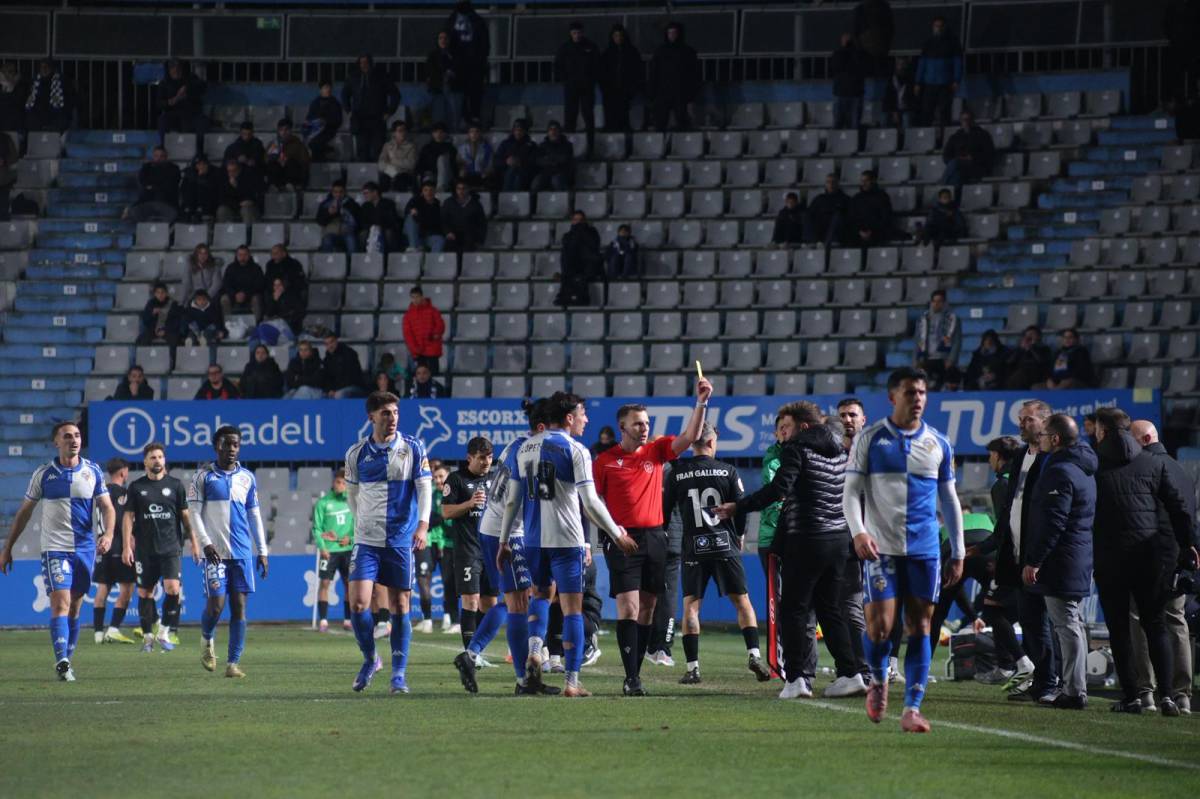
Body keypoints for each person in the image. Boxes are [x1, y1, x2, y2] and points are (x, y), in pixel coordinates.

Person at [843, 367, 965, 733]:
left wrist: (957, 551)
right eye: (911, 392)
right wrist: (858, 532)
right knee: (879, 628)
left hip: (925, 550)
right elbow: (850, 493)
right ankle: (878, 680)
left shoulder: (939, 443)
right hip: (881, 548)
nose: (918, 399)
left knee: (921, 626)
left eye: (923, 393)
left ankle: (912, 707)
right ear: (893, 397)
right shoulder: (870, 439)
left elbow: (950, 498)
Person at [498, 392, 637, 698]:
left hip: (533, 540)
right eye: (583, 414)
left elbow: (512, 500)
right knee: (573, 608)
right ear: (570, 418)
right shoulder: (576, 450)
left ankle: (535, 651)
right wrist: (617, 534)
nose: (587, 420)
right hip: (566, 539)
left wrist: (505, 539)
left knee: (540, 596)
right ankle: (572, 682)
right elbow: (590, 502)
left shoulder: (526, 448)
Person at [722, 403, 863, 699]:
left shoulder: (797, 449)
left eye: (787, 427)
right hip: (839, 539)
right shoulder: (839, 450)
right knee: (830, 609)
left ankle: (797, 678)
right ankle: (851, 674)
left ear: (804, 427)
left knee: (793, 609)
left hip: (807, 538)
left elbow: (778, 489)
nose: (782, 434)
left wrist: (739, 506)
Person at [593, 380, 713, 696]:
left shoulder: (657, 452)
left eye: (646, 423)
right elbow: (592, 503)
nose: (644, 428)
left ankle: (636, 671)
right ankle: (631, 677)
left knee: (648, 608)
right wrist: (613, 532)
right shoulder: (604, 461)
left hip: (655, 537)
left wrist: (701, 403)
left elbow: (689, 437)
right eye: (638, 424)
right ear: (623, 426)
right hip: (621, 539)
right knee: (629, 608)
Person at [1092, 407, 1194, 716]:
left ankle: (1134, 696)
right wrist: (1189, 546)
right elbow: (1179, 509)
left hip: (1110, 558)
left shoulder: (1094, 465)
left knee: (1121, 629)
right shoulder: (1153, 464)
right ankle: (1168, 697)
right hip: (1150, 558)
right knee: (1157, 625)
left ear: (1103, 432)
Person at [0, 421, 116, 682]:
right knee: (60, 603)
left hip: (85, 549)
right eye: (67, 436)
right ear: (56, 442)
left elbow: (108, 507)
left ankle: (67, 661)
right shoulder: (44, 474)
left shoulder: (93, 472)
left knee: (75, 608)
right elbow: (24, 513)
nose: (73, 440)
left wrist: (108, 534)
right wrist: (7, 548)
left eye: (77, 435)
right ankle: (62, 661)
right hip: (55, 549)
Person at [343, 391, 433, 694]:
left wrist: (422, 524)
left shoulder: (413, 448)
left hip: (399, 539)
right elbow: (352, 496)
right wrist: (362, 525)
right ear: (371, 417)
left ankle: (399, 675)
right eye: (385, 413)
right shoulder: (356, 453)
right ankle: (370, 659)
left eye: (395, 412)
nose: (392, 418)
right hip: (367, 541)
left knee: (400, 604)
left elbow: (425, 488)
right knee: (357, 603)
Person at [453, 402, 545, 693]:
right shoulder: (535, 452)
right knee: (521, 601)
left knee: (512, 602)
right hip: (505, 531)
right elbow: (519, 498)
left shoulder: (515, 445)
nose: (584, 419)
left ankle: (473, 656)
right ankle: (521, 679)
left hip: (496, 528)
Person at [673, 424, 771, 685]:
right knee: (742, 602)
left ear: (693, 442)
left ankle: (693, 669)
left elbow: (665, 510)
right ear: (712, 442)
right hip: (724, 544)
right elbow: (740, 507)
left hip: (693, 546)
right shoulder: (728, 471)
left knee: (691, 607)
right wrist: (738, 535)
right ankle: (753, 655)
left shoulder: (678, 472)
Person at [1022, 414, 1097, 710]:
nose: (1038, 441)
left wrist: (1035, 560)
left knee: (1066, 626)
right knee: (1072, 624)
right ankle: (1074, 687)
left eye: (1042, 436)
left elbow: (1053, 522)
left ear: (1055, 439)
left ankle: (1074, 690)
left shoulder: (1060, 471)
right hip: (1077, 557)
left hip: (1062, 560)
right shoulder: (1084, 469)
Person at [1129, 419, 1198, 714]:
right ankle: (1182, 693)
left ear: (1144, 439)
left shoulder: (1144, 468)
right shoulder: (1181, 470)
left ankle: (1147, 690)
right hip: (1177, 556)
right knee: (1175, 621)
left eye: (1131, 440)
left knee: (1140, 619)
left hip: (1148, 554)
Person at [189, 427, 268, 678]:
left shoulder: (247, 478)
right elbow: (193, 513)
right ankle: (206, 639)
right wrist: (205, 543)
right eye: (227, 444)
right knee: (216, 606)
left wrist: (262, 551)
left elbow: (254, 515)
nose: (232, 449)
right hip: (215, 553)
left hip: (242, 553)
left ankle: (233, 663)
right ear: (216, 447)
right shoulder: (203, 477)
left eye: (236, 445)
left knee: (239, 608)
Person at [992, 400, 1056, 702]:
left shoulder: (1053, 458)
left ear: (1045, 422)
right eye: (1020, 419)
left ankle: (1054, 683)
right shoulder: (1020, 456)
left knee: (1051, 622)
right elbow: (1012, 506)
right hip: (1017, 553)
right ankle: (1042, 682)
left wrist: (1039, 554)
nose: (1021, 424)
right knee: (1030, 622)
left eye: (1028, 419)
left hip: (1043, 555)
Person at [973, 435, 1035, 685]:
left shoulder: (1001, 485)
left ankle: (1021, 664)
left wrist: (995, 555)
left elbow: (1005, 526)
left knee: (992, 607)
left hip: (1011, 557)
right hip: (1028, 555)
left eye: (990, 456)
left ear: (999, 456)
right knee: (1014, 611)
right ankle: (1011, 665)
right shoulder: (1023, 478)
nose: (989, 461)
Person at [122, 443, 196, 653]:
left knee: (173, 589)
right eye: (153, 457)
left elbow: (185, 517)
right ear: (145, 461)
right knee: (145, 592)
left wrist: (195, 543)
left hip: (171, 548)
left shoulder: (176, 485)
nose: (157, 461)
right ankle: (147, 638)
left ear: (164, 460)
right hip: (145, 550)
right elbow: (128, 518)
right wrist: (127, 546)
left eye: (160, 457)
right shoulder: (136, 487)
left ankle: (163, 631)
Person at [443, 438, 496, 657]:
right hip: (467, 550)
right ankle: (470, 655)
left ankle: (478, 650)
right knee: (471, 600)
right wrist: (469, 504)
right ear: (469, 458)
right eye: (482, 457)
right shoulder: (456, 479)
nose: (486, 462)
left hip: (492, 550)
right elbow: (446, 512)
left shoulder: (496, 478)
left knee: (490, 604)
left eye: (490, 457)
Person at [837, 398, 871, 682]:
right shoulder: (833, 454)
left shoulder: (874, 454)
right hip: (844, 541)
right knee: (849, 604)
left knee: (883, 606)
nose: (847, 420)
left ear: (863, 419)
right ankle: (859, 667)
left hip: (877, 540)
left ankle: (881, 664)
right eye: (843, 416)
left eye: (852, 415)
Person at [91, 458, 136, 645]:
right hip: (117, 545)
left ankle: (98, 633)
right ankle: (113, 629)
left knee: (103, 589)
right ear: (123, 472)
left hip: (102, 546)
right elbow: (119, 520)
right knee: (127, 589)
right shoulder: (121, 494)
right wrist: (129, 541)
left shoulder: (100, 492)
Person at [313, 469, 354, 633]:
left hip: (348, 549)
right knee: (324, 583)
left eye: (344, 483)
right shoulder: (323, 503)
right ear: (333, 482)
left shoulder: (352, 502)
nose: (341, 485)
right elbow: (317, 528)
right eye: (338, 482)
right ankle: (323, 621)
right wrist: (322, 547)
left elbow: (358, 525)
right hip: (329, 551)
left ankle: (348, 620)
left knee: (349, 585)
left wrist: (350, 539)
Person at [342, 54, 401, 162]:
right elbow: (344, 94)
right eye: (361, 62)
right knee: (362, 152)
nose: (364, 65)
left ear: (371, 63)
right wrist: (349, 111)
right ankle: (363, 177)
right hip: (359, 119)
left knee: (377, 152)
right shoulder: (353, 77)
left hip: (377, 119)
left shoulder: (382, 76)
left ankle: (377, 177)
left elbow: (395, 94)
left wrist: (389, 112)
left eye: (366, 62)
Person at [649, 22, 700, 131]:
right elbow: (654, 73)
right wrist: (653, 93)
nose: (672, 35)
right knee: (660, 122)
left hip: (681, 94)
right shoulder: (660, 52)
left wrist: (691, 94)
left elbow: (694, 75)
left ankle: (682, 146)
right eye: (669, 33)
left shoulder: (688, 52)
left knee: (682, 122)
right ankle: (661, 145)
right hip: (663, 93)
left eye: (674, 33)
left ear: (679, 34)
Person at [446, 0, 490, 125]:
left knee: (474, 93)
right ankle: (465, 117)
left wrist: (481, 61)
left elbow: (484, 45)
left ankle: (473, 118)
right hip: (460, 65)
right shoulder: (453, 20)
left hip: (474, 65)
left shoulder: (475, 21)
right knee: (462, 94)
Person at [556, 23, 599, 146]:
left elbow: (597, 65)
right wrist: (565, 80)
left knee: (588, 116)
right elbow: (558, 66)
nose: (577, 35)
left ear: (582, 32)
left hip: (587, 88)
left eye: (579, 32)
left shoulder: (590, 46)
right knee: (570, 116)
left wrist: (591, 80)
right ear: (570, 33)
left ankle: (590, 146)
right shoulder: (565, 48)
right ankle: (568, 146)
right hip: (571, 87)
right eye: (574, 33)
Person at [915, 16, 963, 127]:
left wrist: (956, 80)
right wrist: (917, 82)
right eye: (936, 26)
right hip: (929, 84)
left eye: (941, 26)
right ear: (933, 27)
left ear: (945, 27)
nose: (939, 29)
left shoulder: (953, 43)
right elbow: (922, 64)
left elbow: (957, 63)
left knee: (945, 112)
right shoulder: (928, 43)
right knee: (927, 111)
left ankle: (945, 137)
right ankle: (926, 137)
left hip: (945, 84)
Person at [941, 111, 994, 202]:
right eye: (964, 120)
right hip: (958, 168)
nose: (966, 122)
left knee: (955, 164)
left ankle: (941, 189)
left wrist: (973, 158)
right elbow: (946, 156)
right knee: (956, 174)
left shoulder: (982, 134)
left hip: (976, 166)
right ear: (961, 121)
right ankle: (951, 203)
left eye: (969, 119)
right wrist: (958, 160)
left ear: (973, 120)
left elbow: (989, 154)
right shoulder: (955, 136)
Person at [913, 289, 961, 391]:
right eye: (934, 301)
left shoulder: (952, 319)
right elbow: (918, 340)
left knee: (944, 386)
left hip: (944, 359)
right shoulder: (923, 319)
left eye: (939, 301)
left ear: (944, 303)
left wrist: (951, 360)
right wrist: (916, 360)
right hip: (927, 358)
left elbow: (957, 341)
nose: (936, 304)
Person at [600, 24, 644, 134]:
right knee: (611, 115)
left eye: (620, 35)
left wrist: (633, 89)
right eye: (615, 35)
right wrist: (605, 88)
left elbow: (638, 72)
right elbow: (602, 74)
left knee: (624, 115)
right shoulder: (607, 53)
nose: (618, 38)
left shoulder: (632, 52)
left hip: (626, 90)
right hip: (610, 91)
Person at [155, 60, 206, 146]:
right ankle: (162, 148)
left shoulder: (191, 78)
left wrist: (188, 89)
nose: (175, 71)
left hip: (191, 113)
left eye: (178, 69)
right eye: (172, 69)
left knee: (202, 122)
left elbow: (202, 87)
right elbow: (159, 103)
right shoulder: (164, 83)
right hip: (173, 114)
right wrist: (172, 101)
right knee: (162, 120)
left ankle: (200, 152)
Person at [558, 209, 600, 307]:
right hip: (572, 267)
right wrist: (576, 234)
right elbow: (568, 249)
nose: (578, 222)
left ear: (585, 221)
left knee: (580, 277)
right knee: (566, 255)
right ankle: (565, 297)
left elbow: (594, 246)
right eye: (576, 220)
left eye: (581, 220)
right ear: (572, 221)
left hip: (588, 266)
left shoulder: (592, 232)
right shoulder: (568, 235)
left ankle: (580, 299)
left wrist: (582, 232)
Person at [127, 146, 180, 223]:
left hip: (167, 202)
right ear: (153, 156)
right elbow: (143, 181)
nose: (158, 158)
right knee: (134, 211)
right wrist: (157, 186)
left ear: (166, 157)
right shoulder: (146, 167)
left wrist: (153, 186)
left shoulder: (174, 168)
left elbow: (170, 184)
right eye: (156, 156)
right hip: (148, 200)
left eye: (162, 156)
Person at [402, 285, 446, 373]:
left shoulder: (433, 311)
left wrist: (435, 335)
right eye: (413, 297)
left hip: (432, 350)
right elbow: (408, 335)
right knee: (420, 379)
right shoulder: (408, 316)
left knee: (434, 377)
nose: (415, 299)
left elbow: (440, 325)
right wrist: (415, 349)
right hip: (418, 352)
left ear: (422, 297)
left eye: (417, 297)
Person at [426, 30, 462, 133]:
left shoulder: (456, 54)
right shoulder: (433, 55)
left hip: (453, 89)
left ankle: (454, 136)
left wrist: (450, 74)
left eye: (445, 38)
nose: (443, 40)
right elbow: (430, 71)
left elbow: (459, 69)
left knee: (454, 116)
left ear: (449, 40)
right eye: (440, 38)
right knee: (438, 116)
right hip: (438, 89)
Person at [263, 118, 311, 192]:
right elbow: (265, 160)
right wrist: (276, 159)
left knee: (291, 162)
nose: (284, 132)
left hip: (292, 176)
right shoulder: (273, 144)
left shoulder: (298, 144)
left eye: (286, 130)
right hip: (278, 176)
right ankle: (274, 186)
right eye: (281, 130)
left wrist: (287, 160)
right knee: (272, 164)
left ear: (291, 130)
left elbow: (304, 163)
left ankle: (291, 185)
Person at [849, 169, 892, 248]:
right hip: (859, 234)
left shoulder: (882, 197)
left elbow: (885, 217)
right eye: (862, 181)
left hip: (877, 232)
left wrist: (872, 231)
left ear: (873, 181)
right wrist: (860, 231)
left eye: (866, 180)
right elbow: (852, 218)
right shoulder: (856, 198)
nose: (864, 183)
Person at [832, 33, 866, 131]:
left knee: (854, 125)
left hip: (854, 94)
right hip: (841, 93)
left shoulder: (859, 54)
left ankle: (853, 144)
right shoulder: (838, 53)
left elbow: (862, 67)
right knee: (838, 123)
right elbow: (835, 66)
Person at [220, 245, 265, 320]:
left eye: (245, 254)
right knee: (224, 299)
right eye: (240, 255)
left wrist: (245, 294)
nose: (242, 257)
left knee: (256, 299)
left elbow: (259, 285)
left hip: (251, 295)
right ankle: (228, 325)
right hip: (234, 295)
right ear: (236, 256)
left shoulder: (256, 268)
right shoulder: (230, 268)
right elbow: (226, 284)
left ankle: (257, 324)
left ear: (249, 255)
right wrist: (234, 294)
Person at [442, 180, 487, 253]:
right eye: (458, 188)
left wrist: (480, 240)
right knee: (449, 245)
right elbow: (443, 220)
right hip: (453, 234)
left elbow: (482, 223)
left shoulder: (476, 204)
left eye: (464, 188)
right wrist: (448, 232)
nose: (461, 191)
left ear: (468, 189)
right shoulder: (449, 202)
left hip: (470, 235)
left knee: (469, 245)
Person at [24, 60, 70, 133]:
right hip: (38, 115)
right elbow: (30, 101)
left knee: (61, 118)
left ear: (52, 69)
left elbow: (64, 102)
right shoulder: (35, 81)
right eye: (42, 67)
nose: (44, 69)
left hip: (55, 115)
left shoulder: (60, 81)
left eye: (47, 67)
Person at [356, 181, 401, 254]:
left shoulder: (388, 203)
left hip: (385, 228)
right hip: (370, 230)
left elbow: (392, 220)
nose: (365, 195)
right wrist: (372, 227)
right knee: (363, 234)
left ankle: (390, 256)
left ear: (375, 192)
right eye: (364, 193)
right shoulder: (365, 206)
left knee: (389, 233)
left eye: (367, 193)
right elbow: (362, 222)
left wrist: (380, 226)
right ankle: (364, 257)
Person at [317, 179, 359, 256]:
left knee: (351, 240)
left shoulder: (352, 204)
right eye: (335, 192)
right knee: (327, 240)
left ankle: (351, 265)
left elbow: (357, 220)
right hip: (331, 233)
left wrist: (344, 211)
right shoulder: (325, 204)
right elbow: (320, 221)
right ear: (332, 192)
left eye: (341, 192)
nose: (338, 194)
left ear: (345, 192)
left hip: (348, 233)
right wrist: (329, 213)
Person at [304, 81, 343, 162]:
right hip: (316, 130)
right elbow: (309, 118)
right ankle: (321, 160)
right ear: (320, 90)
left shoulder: (335, 103)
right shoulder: (315, 103)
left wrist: (325, 122)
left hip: (328, 130)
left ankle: (318, 163)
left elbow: (338, 120)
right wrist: (314, 122)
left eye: (329, 87)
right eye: (325, 88)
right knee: (311, 140)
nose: (328, 90)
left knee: (315, 143)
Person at [806, 174, 850, 247]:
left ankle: (826, 244)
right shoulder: (819, 199)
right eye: (828, 182)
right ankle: (812, 242)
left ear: (837, 183)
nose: (831, 184)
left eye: (833, 182)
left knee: (837, 217)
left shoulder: (845, 199)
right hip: (820, 232)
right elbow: (809, 214)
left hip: (837, 235)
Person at [1004, 325, 1053, 390]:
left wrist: (1031, 348)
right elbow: (1009, 362)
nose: (1029, 336)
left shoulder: (1044, 348)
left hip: (1038, 374)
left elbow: (1041, 361)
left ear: (1039, 336)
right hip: (1021, 376)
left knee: (1020, 376)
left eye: (1032, 334)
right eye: (1027, 335)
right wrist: (1020, 349)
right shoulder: (1021, 349)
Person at [258, 276, 305, 344]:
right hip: (277, 327)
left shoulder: (292, 296)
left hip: (290, 327)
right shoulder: (272, 298)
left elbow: (300, 312)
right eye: (275, 285)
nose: (277, 287)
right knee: (261, 326)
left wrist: (285, 318)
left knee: (278, 323)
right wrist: (274, 301)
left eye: (279, 285)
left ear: (283, 286)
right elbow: (268, 314)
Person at [531, 121, 575, 193]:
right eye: (551, 129)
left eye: (555, 129)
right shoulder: (543, 145)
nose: (553, 132)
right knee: (535, 183)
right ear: (548, 132)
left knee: (556, 181)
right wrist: (553, 159)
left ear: (559, 131)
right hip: (546, 173)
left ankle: (562, 202)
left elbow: (565, 159)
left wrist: (548, 159)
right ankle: (533, 204)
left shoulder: (567, 145)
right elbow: (538, 160)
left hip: (561, 173)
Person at [403, 181, 446, 253]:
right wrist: (414, 212)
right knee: (411, 217)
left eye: (431, 190)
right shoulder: (416, 200)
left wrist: (420, 217)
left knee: (440, 240)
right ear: (422, 192)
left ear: (435, 191)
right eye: (426, 190)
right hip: (414, 235)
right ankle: (414, 247)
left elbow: (435, 223)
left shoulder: (438, 205)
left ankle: (433, 261)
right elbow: (407, 211)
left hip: (427, 235)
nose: (428, 193)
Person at [494, 119, 537, 191]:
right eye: (516, 130)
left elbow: (534, 162)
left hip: (525, 173)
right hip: (506, 172)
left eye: (520, 130)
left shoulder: (531, 145)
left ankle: (510, 197)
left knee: (517, 176)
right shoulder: (505, 143)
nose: (518, 132)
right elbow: (497, 161)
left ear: (525, 131)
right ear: (513, 131)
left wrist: (520, 162)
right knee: (512, 171)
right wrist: (506, 161)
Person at [263, 243, 308, 309]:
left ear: (284, 253)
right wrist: (275, 289)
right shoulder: (270, 264)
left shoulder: (294, 264)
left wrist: (283, 287)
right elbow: (267, 280)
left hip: (290, 290)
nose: (273, 256)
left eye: (276, 253)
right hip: (274, 291)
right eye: (272, 253)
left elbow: (298, 281)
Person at [216, 159, 261, 225]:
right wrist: (237, 204)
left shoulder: (247, 177)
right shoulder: (224, 180)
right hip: (233, 206)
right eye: (229, 171)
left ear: (239, 170)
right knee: (222, 210)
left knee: (246, 210)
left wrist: (237, 186)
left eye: (234, 171)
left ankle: (248, 234)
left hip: (247, 207)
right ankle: (228, 233)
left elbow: (251, 195)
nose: (231, 173)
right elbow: (222, 199)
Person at [377, 121, 417, 193]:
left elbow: (411, 164)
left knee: (401, 180)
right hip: (390, 171)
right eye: (400, 131)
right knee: (383, 179)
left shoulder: (411, 146)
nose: (403, 133)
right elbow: (381, 163)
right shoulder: (387, 145)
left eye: (404, 130)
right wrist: (393, 169)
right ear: (394, 133)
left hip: (405, 173)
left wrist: (393, 161)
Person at [322, 333, 366, 399]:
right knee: (323, 396)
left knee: (340, 395)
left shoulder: (349, 354)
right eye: (327, 344)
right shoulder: (327, 359)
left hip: (355, 387)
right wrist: (329, 390)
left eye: (331, 342)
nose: (330, 345)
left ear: (336, 341)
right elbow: (327, 378)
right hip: (337, 389)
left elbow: (351, 377)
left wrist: (335, 390)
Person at [137, 282, 180, 347]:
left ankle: (172, 357)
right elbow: (145, 319)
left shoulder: (173, 304)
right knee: (141, 339)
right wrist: (152, 313)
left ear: (166, 293)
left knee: (175, 339)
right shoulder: (151, 303)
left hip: (168, 330)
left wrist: (165, 330)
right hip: (153, 330)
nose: (160, 295)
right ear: (155, 294)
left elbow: (176, 321)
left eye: (162, 292)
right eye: (158, 293)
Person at [415, 122, 456, 191]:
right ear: (432, 134)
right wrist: (424, 172)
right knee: (427, 178)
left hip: (446, 176)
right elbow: (420, 164)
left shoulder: (450, 148)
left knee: (442, 159)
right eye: (436, 132)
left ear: (445, 134)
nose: (439, 134)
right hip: (431, 175)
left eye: (441, 132)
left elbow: (454, 166)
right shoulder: (427, 148)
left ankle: (440, 188)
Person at [181, 243, 223, 307]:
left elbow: (216, 284)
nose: (202, 256)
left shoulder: (214, 265)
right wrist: (184, 299)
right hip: (195, 294)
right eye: (200, 253)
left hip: (210, 295)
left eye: (205, 253)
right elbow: (187, 282)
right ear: (196, 254)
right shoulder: (190, 265)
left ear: (208, 255)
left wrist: (205, 298)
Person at [180, 155, 219, 222]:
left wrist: (202, 178)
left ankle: (199, 211)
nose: (201, 166)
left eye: (204, 164)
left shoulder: (215, 172)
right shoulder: (190, 173)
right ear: (195, 165)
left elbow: (215, 191)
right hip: (192, 203)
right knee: (191, 187)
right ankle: (190, 211)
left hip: (209, 204)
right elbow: (183, 190)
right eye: (198, 164)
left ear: (208, 165)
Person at [456, 123, 493, 188]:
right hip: (467, 174)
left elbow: (490, 164)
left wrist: (487, 171)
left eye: (477, 131)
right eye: (472, 132)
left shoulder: (487, 148)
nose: (474, 134)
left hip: (481, 174)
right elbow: (458, 162)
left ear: (480, 133)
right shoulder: (462, 148)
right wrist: (462, 167)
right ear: (468, 134)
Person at [882, 57, 915, 129]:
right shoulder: (891, 79)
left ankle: (905, 137)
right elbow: (888, 98)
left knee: (906, 117)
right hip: (892, 106)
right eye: (899, 64)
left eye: (903, 64)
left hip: (905, 107)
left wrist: (904, 107)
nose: (901, 66)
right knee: (884, 117)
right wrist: (894, 111)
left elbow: (910, 98)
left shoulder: (909, 79)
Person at [0, 127, 16, 221]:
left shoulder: (6, 138)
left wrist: (4, 161)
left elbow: (14, 157)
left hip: (4, 180)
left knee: (3, 209)